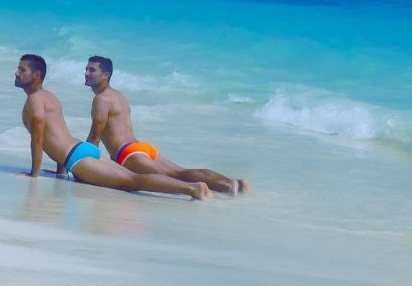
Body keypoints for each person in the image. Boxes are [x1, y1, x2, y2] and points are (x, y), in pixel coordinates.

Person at [16, 54, 208, 201]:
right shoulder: (49, 96)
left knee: (132, 182)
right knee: (133, 178)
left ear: (37, 75)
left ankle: (192, 188)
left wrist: (33, 173)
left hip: (76, 158)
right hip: (81, 150)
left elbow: (39, 138)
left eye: (21, 70)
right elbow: (57, 132)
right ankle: (191, 186)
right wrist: (60, 171)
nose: (17, 73)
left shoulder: (34, 101)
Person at [84, 56, 249, 194]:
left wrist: (86, 165)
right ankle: (235, 183)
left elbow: (95, 136)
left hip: (127, 154)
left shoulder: (101, 99)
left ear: (106, 75)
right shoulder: (119, 95)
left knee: (178, 176)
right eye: (86, 69)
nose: (86, 73)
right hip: (141, 147)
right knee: (180, 172)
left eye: (92, 70)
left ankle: (226, 185)